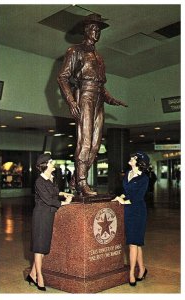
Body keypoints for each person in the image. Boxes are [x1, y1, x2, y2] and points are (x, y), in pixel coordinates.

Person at [58, 13, 127, 196]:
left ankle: (76, 177)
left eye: (99, 30)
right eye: (94, 29)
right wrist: (71, 100)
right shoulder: (75, 51)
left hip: (98, 98)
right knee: (85, 141)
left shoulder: (100, 57)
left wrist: (111, 99)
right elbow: (63, 77)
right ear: (86, 30)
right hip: (85, 96)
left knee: (96, 145)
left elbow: (100, 85)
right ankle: (81, 181)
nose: (97, 32)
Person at [25, 153, 73, 291]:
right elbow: (48, 199)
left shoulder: (51, 178)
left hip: (49, 215)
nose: (54, 163)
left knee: (43, 247)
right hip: (41, 216)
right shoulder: (39, 181)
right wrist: (64, 203)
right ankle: (39, 277)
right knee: (39, 248)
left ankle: (32, 274)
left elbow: (53, 193)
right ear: (46, 165)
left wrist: (63, 194)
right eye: (51, 161)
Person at [112, 151, 150, 286]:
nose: (131, 158)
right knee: (136, 242)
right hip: (127, 211)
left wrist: (123, 202)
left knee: (133, 243)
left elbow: (137, 198)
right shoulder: (128, 174)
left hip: (138, 211)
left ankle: (131, 273)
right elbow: (126, 191)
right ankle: (143, 269)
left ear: (139, 162)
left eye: (134, 158)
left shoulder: (144, 179)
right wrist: (121, 197)